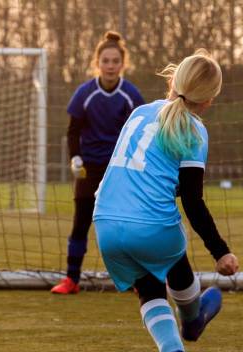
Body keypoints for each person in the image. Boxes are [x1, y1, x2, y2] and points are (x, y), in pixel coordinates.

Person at [92, 49, 239, 352]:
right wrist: (221, 252)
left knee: (148, 287)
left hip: (106, 222)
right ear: (209, 101)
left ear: (173, 81)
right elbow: (192, 201)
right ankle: (193, 318)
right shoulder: (195, 130)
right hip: (152, 229)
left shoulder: (139, 112)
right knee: (168, 248)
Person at [51, 31, 145, 294]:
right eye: (106, 60)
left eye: (115, 61)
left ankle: (138, 281)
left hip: (119, 171)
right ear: (97, 62)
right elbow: (72, 131)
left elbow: (139, 132)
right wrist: (75, 156)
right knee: (81, 222)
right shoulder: (85, 93)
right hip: (89, 169)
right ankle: (71, 279)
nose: (111, 65)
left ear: (122, 64)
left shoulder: (131, 95)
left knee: (125, 226)